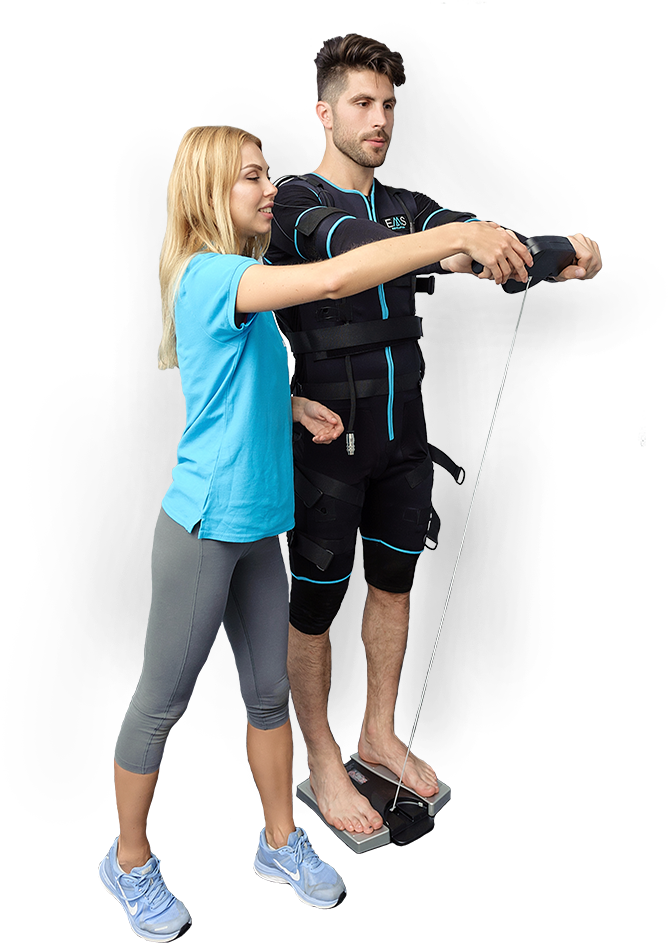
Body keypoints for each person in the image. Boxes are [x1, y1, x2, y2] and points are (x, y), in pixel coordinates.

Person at [97, 123, 533, 940]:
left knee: (269, 696)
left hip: (260, 526)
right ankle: (127, 859)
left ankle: (278, 839)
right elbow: (334, 275)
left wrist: (292, 406)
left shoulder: (242, 279)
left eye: (269, 174)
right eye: (253, 177)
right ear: (210, 191)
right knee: (160, 702)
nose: (271, 189)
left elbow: (230, 381)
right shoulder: (212, 274)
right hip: (206, 528)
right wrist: (457, 235)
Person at [266, 34, 603, 837]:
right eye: (361, 103)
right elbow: (356, 253)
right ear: (325, 112)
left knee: (395, 584)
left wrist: (560, 253)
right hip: (327, 443)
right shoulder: (294, 202)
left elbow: (480, 250)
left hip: (405, 439)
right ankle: (323, 756)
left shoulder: (411, 205)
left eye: (388, 105)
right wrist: (460, 239)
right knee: (314, 609)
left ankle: (378, 734)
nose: (378, 119)